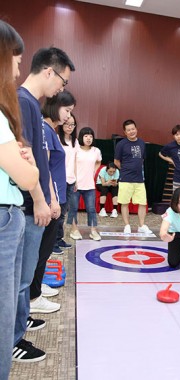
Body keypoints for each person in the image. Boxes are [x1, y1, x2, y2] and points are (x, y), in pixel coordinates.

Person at [13, 46, 75, 363]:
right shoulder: (23, 102)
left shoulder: (32, 107)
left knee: (24, 276)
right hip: (24, 205)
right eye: (62, 82)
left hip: (34, 201)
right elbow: (24, 159)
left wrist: (49, 196)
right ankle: (13, 338)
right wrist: (40, 198)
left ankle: (18, 326)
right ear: (49, 71)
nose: (60, 90)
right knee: (20, 278)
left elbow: (41, 160)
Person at [0, 20, 39, 380]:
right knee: (3, 311)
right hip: (5, 217)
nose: (17, 67)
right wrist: (29, 167)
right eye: (14, 58)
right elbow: (28, 176)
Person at [28, 91, 76, 315]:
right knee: (41, 249)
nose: (68, 116)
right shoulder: (45, 130)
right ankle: (33, 296)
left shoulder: (52, 132)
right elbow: (43, 169)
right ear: (55, 106)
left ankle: (36, 287)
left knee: (45, 250)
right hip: (49, 201)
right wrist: (52, 200)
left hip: (56, 197)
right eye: (67, 110)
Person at [114, 119, 151, 234]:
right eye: (128, 130)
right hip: (125, 179)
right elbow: (116, 161)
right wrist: (125, 169)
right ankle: (127, 225)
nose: (131, 131)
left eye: (133, 129)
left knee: (142, 203)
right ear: (125, 132)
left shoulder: (142, 143)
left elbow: (143, 159)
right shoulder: (121, 144)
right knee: (124, 203)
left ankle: (141, 225)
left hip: (139, 179)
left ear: (136, 129)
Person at [67, 127, 102, 241]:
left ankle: (93, 230)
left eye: (91, 136)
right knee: (73, 208)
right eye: (86, 136)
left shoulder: (96, 151)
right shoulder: (76, 149)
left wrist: (94, 172)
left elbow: (98, 161)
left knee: (91, 208)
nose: (88, 138)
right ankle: (74, 229)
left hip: (90, 185)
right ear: (81, 137)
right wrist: (75, 179)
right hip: (75, 184)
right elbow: (71, 164)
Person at [54, 113, 78, 253]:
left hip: (70, 180)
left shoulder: (75, 142)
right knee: (57, 212)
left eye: (72, 124)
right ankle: (52, 243)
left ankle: (58, 239)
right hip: (59, 180)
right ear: (62, 124)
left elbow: (74, 162)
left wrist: (76, 180)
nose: (70, 127)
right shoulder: (56, 139)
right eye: (67, 123)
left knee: (63, 212)